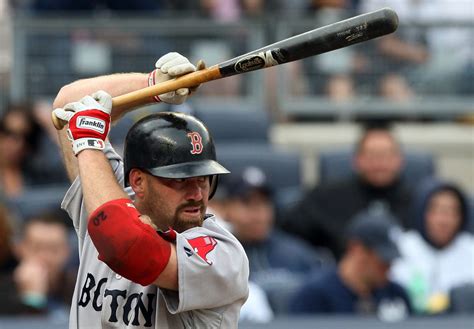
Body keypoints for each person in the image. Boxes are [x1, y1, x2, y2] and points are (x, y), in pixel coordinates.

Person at [52, 52, 249, 328]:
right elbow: (67, 103)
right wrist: (153, 86)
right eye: (179, 180)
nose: (196, 194)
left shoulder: (223, 255)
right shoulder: (107, 192)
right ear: (138, 182)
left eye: (202, 179)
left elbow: (126, 245)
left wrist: (88, 141)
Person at [280, 124, 413, 259]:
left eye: (386, 155)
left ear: (400, 160)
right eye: (372, 156)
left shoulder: (418, 203)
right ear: (356, 160)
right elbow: (288, 232)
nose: (379, 163)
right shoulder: (328, 197)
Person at [216, 166, 334, 313]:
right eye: (247, 203)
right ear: (226, 208)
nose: (258, 213)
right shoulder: (217, 253)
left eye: (264, 203)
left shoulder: (297, 252)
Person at [289, 211, 412, 322]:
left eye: (391, 260)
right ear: (357, 250)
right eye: (383, 260)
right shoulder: (315, 295)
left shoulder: (396, 294)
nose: (389, 266)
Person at [390, 179, 474, 314]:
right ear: (421, 212)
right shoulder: (401, 247)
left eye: (452, 212)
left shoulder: (470, 249)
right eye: (436, 211)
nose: (444, 220)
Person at [13, 210, 76, 315]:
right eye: (37, 248)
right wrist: (32, 299)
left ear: (67, 251)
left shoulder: (82, 289)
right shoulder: (4, 291)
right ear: (20, 249)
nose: (46, 257)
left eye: (54, 249)